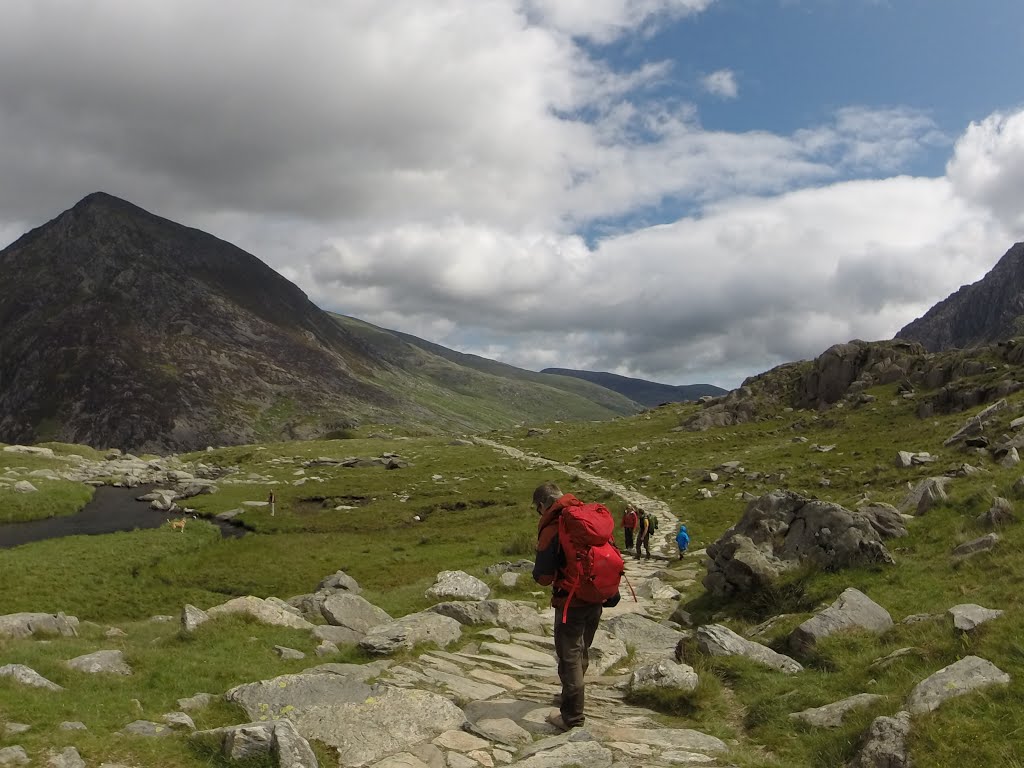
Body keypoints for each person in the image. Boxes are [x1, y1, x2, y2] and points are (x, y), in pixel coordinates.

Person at [532, 480, 619, 731]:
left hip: (570, 600)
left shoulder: (556, 525)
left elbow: (543, 576)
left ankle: (572, 717)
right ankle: (570, 696)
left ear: (541, 505)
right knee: (582, 650)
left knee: (569, 656)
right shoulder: (588, 517)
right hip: (597, 595)